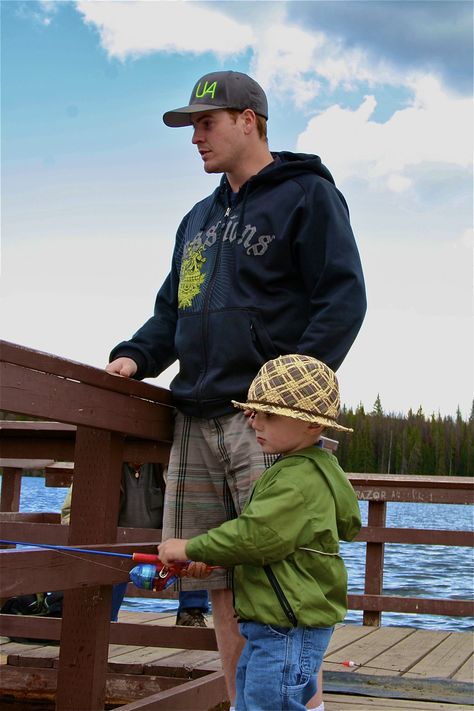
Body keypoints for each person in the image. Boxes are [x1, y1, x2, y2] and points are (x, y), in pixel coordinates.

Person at [106, 70, 366, 709]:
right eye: (192, 126)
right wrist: (133, 357)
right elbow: (174, 310)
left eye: (206, 122)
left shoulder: (307, 195)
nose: (195, 137)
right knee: (220, 582)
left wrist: (289, 400)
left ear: (249, 119)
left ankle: (306, 705)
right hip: (194, 418)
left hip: (269, 427)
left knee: (282, 581)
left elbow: (342, 300)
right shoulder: (196, 220)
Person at [159, 354, 362, 711]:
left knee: (267, 704)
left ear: (312, 425)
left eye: (268, 414)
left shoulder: (297, 481)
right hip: (274, 623)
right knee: (252, 700)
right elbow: (272, 549)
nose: (254, 422)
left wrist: (191, 548)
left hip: (284, 629)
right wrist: (217, 560)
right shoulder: (308, 469)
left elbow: (255, 536)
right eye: (253, 413)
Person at [60, 463, 209, 625]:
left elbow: (190, 509)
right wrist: (86, 540)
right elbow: (71, 512)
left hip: (162, 540)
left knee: (191, 545)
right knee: (106, 569)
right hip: (115, 544)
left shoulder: (166, 463)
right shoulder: (102, 463)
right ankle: (101, 621)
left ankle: (191, 613)